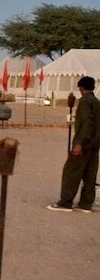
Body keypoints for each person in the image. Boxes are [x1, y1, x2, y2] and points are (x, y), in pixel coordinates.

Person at [47, 77, 99, 213]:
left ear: (81, 88)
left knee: (71, 171)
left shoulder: (85, 102)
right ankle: (86, 204)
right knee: (89, 174)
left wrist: (79, 144)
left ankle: (65, 202)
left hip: (84, 144)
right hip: (94, 144)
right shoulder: (96, 102)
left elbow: (87, 123)